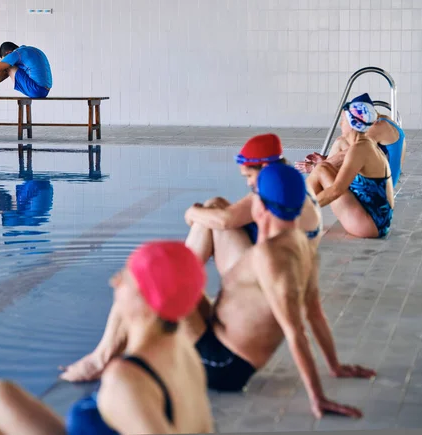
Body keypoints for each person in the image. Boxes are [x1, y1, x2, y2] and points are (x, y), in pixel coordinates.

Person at [61, 163, 376, 420]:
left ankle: (103, 358)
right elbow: (315, 314)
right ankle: (111, 351)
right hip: (220, 338)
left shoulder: (270, 258)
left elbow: (295, 332)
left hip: (222, 365)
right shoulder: (302, 247)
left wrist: (318, 397)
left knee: (141, 278)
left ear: (261, 206)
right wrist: (334, 366)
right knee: (167, 273)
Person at [0, 241, 214, 435]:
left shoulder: (125, 379)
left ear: (147, 303)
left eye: (125, 278)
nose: (114, 282)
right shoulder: (182, 350)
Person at [183, 133, 323, 278]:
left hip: (271, 276)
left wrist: (191, 212)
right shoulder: (290, 179)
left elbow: (225, 220)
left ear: (264, 166)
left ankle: (178, 281)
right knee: (215, 204)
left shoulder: (275, 188)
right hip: (288, 264)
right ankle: (180, 278)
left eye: (249, 176)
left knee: (211, 218)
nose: (248, 183)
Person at [305, 98, 395, 239]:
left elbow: (336, 191)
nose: (341, 124)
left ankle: (298, 216)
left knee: (321, 170)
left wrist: (303, 209)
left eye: (343, 120)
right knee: (323, 168)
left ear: (353, 124)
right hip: (378, 221)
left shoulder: (360, 149)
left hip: (371, 224)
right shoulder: (365, 144)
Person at [295, 93, 405, 188]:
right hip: (383, 175)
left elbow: (353, 152)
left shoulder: (378, 127)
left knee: (341, 142)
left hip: (383, 185)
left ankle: (317, 178)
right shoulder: (382, 120)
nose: (342, 123)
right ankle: (321, 172)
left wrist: (316, 167)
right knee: (343, 142)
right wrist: (326, 159)